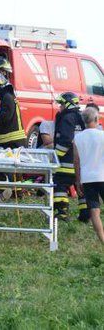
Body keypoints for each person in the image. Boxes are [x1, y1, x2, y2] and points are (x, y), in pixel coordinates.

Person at [73, 104, 104, 243]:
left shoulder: (78, 138)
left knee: (94, 211)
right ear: (96, 118)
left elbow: (76, 161)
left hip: (87, 178)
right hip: (102, 175)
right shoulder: (102, 135)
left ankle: (103, 240)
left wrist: (78, 181)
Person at [52, 92, 85, 220]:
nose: (60, 107)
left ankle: (62, 212)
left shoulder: (67, 118)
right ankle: (85, 214)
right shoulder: (81, 117)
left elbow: (65, 140)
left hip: (66, 162)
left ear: (68, 104)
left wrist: (56, 156)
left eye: (61, 104)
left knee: (60, 184)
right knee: (81, 187)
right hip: (79, 163)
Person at [0, 72, 25, 147]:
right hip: (5, 139)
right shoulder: (3, 97)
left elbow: (5, 116)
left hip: (12, 141)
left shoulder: (7, 97)